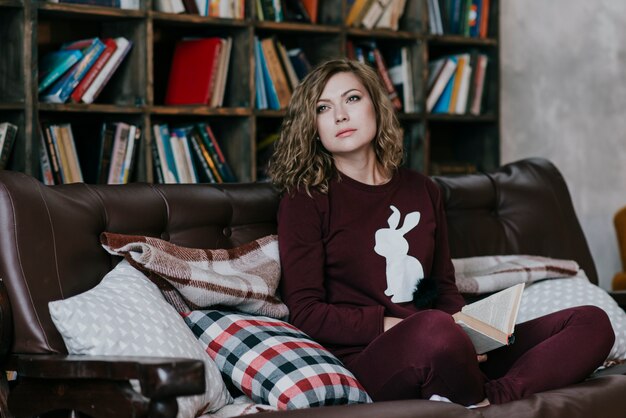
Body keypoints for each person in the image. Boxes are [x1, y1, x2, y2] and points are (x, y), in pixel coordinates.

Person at [267, 58, 614, 406]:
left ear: (376, 104)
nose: (340, 115)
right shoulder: (306, 199)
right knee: (433, 329)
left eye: (352, 99)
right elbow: (306, 311)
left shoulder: (422, 190)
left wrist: (469, 335)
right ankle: (476, 390)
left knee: (590, 321)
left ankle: (495, 399)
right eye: (323, 108)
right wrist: (401, 326)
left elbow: (444, 288)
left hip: (447, 344)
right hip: (372, 359)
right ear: (313, 126)